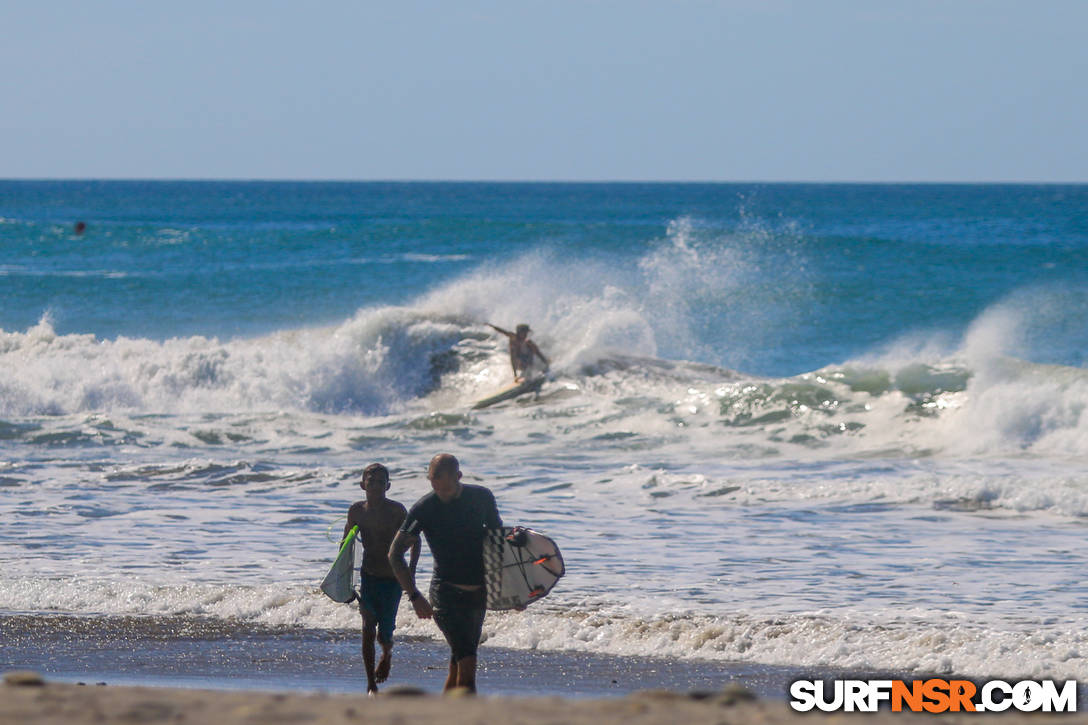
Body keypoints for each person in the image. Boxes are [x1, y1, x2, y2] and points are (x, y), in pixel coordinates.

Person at [388, 453, 502, 694]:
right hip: (446, 594)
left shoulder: (481, 498)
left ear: (459, 477)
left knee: (458, 662)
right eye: (433, 483)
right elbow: (395, 554)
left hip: (478, 594)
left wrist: (516, 590)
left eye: (446, 486)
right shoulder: (424, 508)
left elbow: (499, 542)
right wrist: (414, 595)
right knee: (468, 667)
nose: (440, 491)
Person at [343, 463, 419, 695]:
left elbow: (415, 540)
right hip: (369, 577)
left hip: (393, 579)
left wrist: (412, 573)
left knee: (384, 634)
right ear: (362, 484)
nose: (375, 485)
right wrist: (343, 578)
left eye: (380, 482)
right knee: (367, 628)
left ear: (388, 485)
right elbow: (345, 544)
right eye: (371, 481)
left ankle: (386, 654)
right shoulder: (356, 511)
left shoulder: (397, 511)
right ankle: (370, 684)